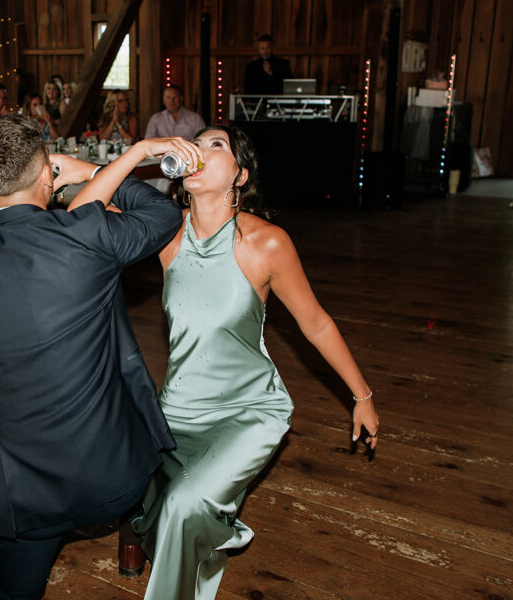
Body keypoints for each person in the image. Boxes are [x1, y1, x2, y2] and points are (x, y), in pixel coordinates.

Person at [0, 114, 195, 600]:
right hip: (121, 468)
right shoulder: (86, 234)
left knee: (2, 591)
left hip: (25, 492)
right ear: (46, 174)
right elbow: (162, 215)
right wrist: (99, 170)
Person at [76, 125, 380, 600]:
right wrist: (137, 152)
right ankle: (142, 534)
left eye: (215, 144)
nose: (200, 150)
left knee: (182, 505)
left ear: (239, 176)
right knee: (127, 487)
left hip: (247, 412)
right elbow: (81, 214)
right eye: (196, 143)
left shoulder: (266, 243)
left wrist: (361, 396)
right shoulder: (166, 230)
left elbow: (316, 324)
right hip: (177, 410)